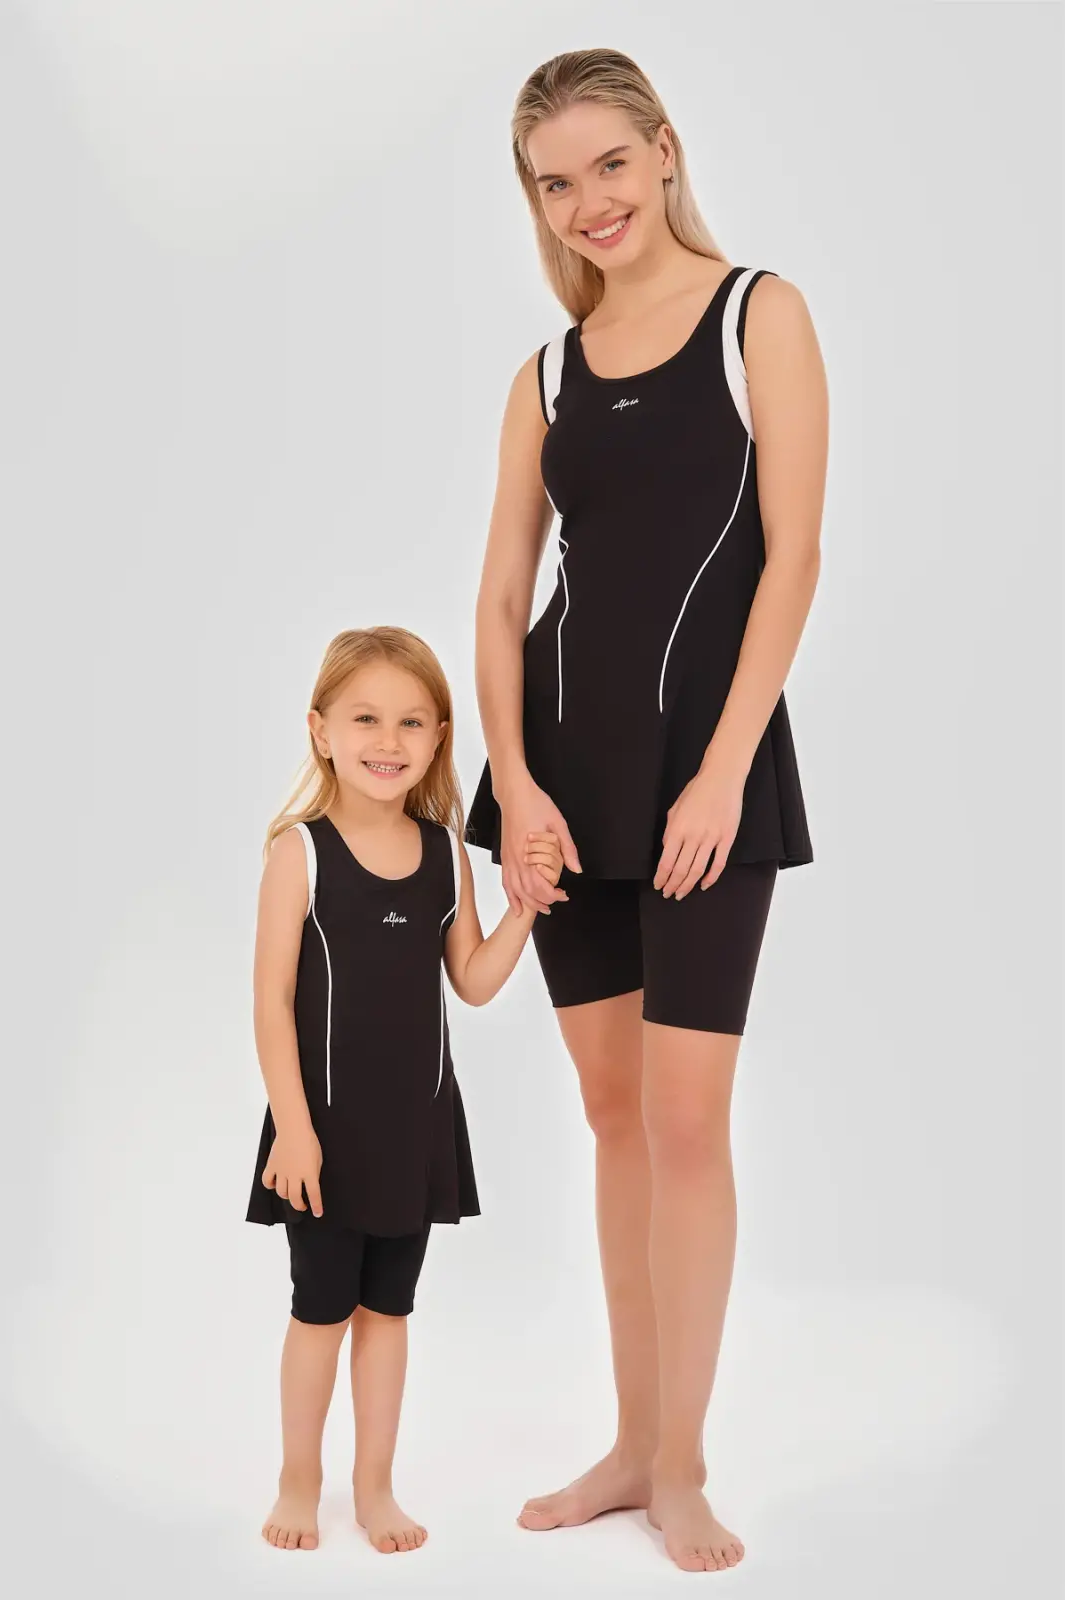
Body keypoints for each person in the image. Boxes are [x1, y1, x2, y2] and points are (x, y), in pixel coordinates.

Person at [465, 49, 827, 1575]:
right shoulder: (543, 376)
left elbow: (791, 558)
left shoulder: (759, 316)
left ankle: (682, 1463)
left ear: (663, 151)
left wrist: (724, 767)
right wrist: (516, 785)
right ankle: (627, 1443)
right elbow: (501, 597)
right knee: (611, 1117)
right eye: (555, 183)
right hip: (561, 778)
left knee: (685, 1121)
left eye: (608, 164)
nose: (588, 203)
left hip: (703, 775)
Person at [246, 626, 563, 1555]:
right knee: (319, 1311)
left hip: (415, 1129)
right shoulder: (298, 853)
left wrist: (522, 911)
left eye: (411, 722)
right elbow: (269, 1003)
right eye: (366, 719)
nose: (388, 741)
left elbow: (472, 980)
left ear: (437, 739)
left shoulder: (443, 853)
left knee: (389, 1312)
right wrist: (293, 1130)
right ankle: (297, 1481)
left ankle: (375, 1486)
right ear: (320, 731)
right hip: (320, 1135)